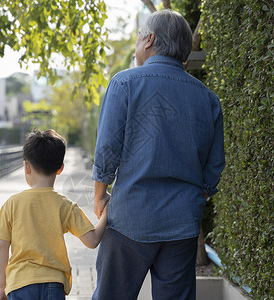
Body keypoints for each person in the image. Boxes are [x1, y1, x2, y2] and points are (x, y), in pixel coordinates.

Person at [91, 9, 225, 300]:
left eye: (140, 37)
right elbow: (214, 166)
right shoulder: (208, 99)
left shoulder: (124, 83)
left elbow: (107, 148)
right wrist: (194, 199)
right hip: (182, 223)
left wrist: (100, 193)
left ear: (149, 39)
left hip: (130, 218)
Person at [0, 129, 108, 300]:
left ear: (26, 166)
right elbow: (92, 240)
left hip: (20, 283)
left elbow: (1, 246)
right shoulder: (65, 205)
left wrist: (2, 287)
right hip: (54, 283)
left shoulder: (12, 203)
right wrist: (107, 210)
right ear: (60, 168)